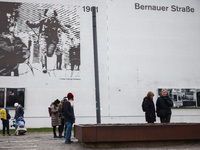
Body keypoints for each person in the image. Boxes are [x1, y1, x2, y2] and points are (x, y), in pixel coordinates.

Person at [26, 9, 70, 73]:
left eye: (52, 17)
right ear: (46, 16)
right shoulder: (43, 20)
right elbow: (35, 24)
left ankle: (48, 55)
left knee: (49, 54)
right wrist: (29, 23)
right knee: (43, 51)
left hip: (53, 40)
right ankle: (44, 67)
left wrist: (70, 34)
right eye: (49, 16)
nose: (51, 18)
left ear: (55, 16)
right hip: (43, 37)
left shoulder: (57, 21)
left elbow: (64, 28)